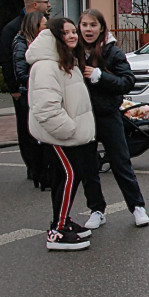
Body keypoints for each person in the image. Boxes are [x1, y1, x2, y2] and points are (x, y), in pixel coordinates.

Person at [26, 18, 96, 251]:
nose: (73, 36)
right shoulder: (47, 65)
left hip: (66, 135)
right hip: (59, 136)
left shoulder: (66, 60)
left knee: (64, 178)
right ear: (56, 37)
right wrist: (69, 130)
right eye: (66, 33)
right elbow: (46, 107)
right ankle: (58, 231)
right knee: (69, 175)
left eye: (74, 31)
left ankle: (61, 220)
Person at [77, 9, 149, 230]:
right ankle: (97, 210)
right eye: (84, 25)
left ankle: (137, 206)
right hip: (83, 117)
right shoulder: (74, 51)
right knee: (88, 167)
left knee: (120, 162)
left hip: (108, 115)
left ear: (101, 28)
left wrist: (102, 76)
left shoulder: (112, 52)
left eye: (93, 25)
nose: (88, 30)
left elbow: (128, 81)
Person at [0, 0, 50, 185]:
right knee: (26, 129)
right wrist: (13, 88)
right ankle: (33, 167)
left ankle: (44, 166)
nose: (49, 6)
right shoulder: (13, 30)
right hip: (24, 89)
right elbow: (7, 61)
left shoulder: (45, 27)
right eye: (45, 2)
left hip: (41, 89)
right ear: (35, 5)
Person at [12, 12, 49, 189]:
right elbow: (20, 73)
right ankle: (37, 173)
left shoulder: (41, 43)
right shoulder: (21, 44)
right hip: (29, 95)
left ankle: (44, 172)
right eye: (43, 25)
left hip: (39, 92)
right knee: (34, 136)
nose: (46, 28)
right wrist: (39, 81)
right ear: (34, 27)